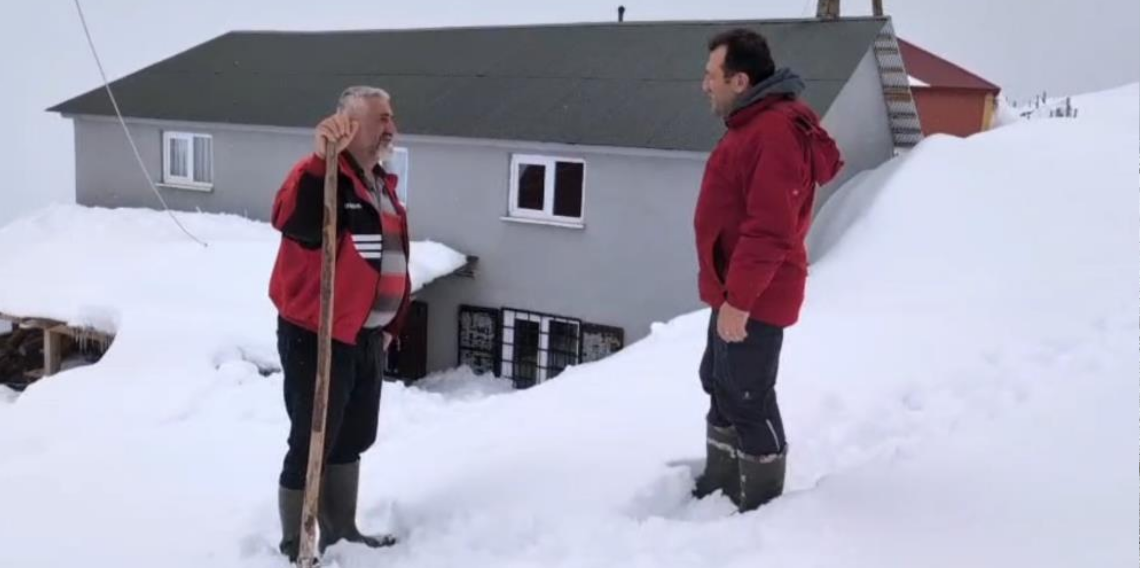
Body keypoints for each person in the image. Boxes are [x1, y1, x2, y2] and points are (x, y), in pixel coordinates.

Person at [692, 29, 843, 512]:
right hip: (732, 290)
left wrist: (739, 301)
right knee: (718, 381)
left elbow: (770, 229)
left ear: (739, 80)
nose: (704, 86)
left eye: (710, 76)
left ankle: (761, 505)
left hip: (755, 295)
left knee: (748, 396)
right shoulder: (751, 125)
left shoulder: (774, 132)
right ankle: (719, 485)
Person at [267, 85, 412, 560]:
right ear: (347, 128)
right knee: (313, 438)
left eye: (390, 118)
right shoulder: (323, 177)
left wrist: (388, 327)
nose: (390, 127)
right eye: (379, 119)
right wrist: (318, 162)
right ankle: (298, 543)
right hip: (318, 334)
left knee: (353, 435)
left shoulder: (380, 182)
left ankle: (343, 527)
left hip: (366, 337)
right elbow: (297, 221)